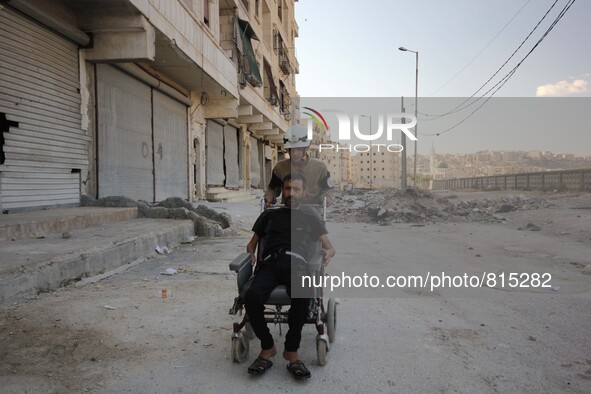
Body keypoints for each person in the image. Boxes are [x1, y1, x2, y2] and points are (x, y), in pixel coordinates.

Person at [245, 173, 336, 380]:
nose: (290, 193)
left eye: (296, 189)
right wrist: (250, 253)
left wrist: (327, 254)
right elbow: (252, 244)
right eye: (287, 189)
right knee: (251, 296)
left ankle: (291, 351)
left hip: (297, 264)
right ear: (282, 192)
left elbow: (330, 247)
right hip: (269, 264)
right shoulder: (269, 216)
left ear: (304, 192)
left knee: (302, 295)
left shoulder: (310, 215)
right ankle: (267, 348)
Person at [265, 124, 334, 208]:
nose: (295, 153)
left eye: (298, 149)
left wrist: (325, 198)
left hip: (312, 213)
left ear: (306, 148)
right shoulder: (280, 168)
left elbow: (327, 189)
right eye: (292, 149)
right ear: (287, 149)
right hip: (288, 213)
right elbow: (272, 189)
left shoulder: (320, 168)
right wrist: (269, 197)